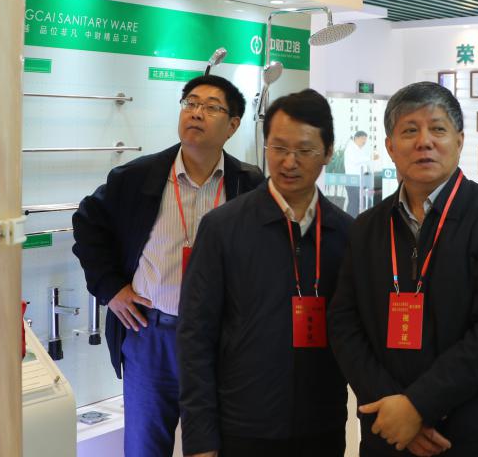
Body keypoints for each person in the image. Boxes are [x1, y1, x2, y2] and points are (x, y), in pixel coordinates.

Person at [329, 81, 478, 457]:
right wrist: (394, 407)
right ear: (390, 146)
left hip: (473, 436)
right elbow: (344, 324)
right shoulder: (367, 227)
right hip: (388, 431)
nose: (424, 142)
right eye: (410, 130)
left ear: (459, 140)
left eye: (437, 129)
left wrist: (418, 406)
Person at [72, 75, 264, 456]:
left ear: (232, 125)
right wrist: (111, 288)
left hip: (220, 340)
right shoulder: (137, 176)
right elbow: (88, 223)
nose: (196, 113)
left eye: (211, 107)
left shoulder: (249, 184)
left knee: (215, 446)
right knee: (145, 448)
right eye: (190, 102)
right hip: (151, 335)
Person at [178, 89, 353, 457]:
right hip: (243, 426)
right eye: (279, 148)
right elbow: (195, 336)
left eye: (304, 151)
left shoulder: (346, 233)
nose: (289, 162)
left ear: (328, 152)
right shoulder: (223, 228)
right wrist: (200, 439)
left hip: (321, 427)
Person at [344, 130, 372, 216]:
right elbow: (356, 160)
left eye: (365, 139)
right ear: (356, 138)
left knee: (358, 202)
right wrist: (370, 158)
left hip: (358, 181)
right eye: (363, 139)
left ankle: (353, 220)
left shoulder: (358, 149)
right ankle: (350, 220)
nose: (364, 141)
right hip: (352, 181)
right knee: (354, 203)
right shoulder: (351, 148)